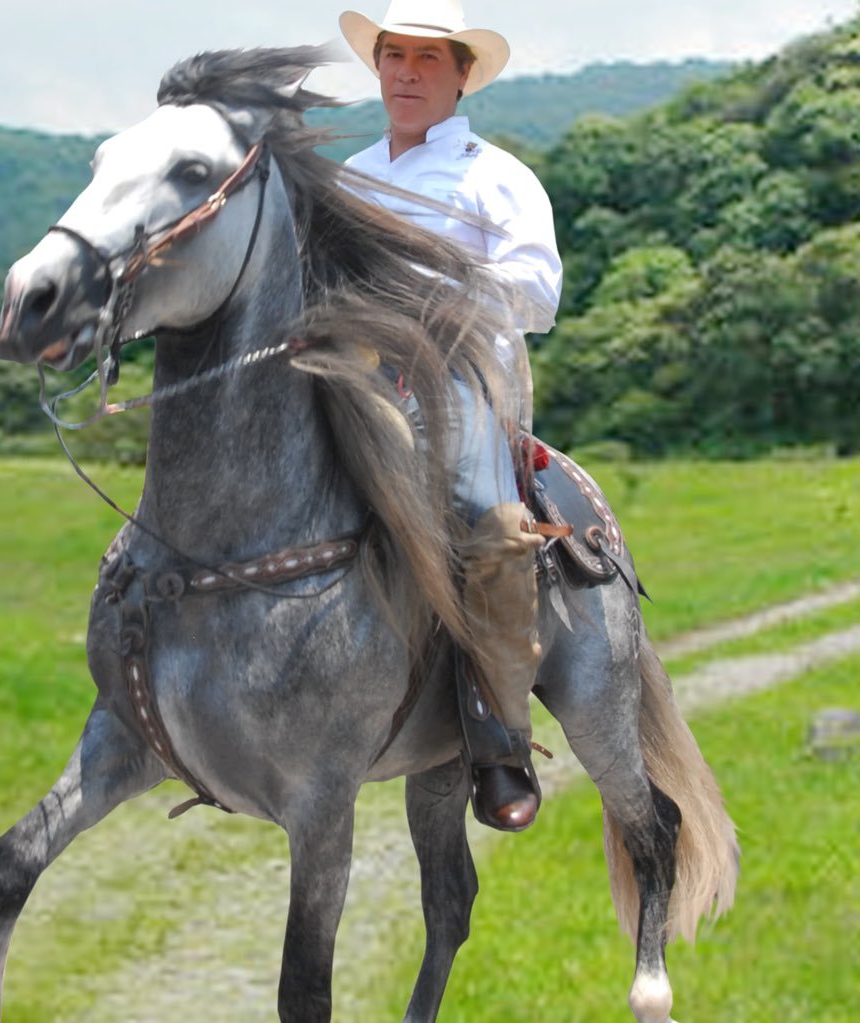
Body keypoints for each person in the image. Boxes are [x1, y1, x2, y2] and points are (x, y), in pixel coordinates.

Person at [338, 0, 563, 831]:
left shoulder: (496, 176)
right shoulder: (345, 176)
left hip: (458, 378)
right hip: (352, 375)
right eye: (394, 54)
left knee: (491, 526)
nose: (405, 71)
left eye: (428, 58)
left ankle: (499, 740)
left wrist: (431, 291)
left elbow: (539, 295)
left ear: (462, 75)